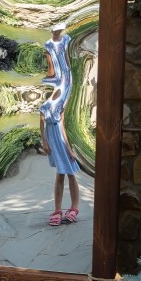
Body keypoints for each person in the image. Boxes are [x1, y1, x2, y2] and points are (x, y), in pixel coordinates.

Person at [39, 23, 80, 226]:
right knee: (61, 174)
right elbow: (50, 62)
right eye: (56, 30)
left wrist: (70, 149)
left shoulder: (65, 40)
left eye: (59, 30)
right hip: (54, 139)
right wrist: (44, 141)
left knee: (70, 173)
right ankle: (57, 209)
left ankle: (74, 207)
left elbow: (67, 57)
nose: (58, 32)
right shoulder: (46, 105)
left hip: (66, 74)